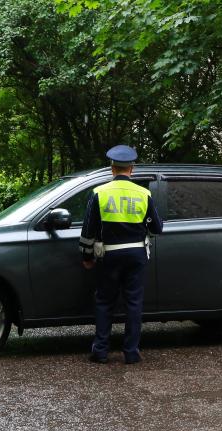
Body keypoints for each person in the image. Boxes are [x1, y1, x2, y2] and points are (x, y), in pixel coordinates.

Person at [79, 145, 163, 364]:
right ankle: (131, 352)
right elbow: (157, 228)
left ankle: (100, 351)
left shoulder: (99, 193)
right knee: (133, 303)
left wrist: (87, 256)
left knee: (105, 301)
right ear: (132, 169)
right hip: (136, 255)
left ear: (112, 168)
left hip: (109, 255)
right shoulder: (144, 194)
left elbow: (88, 230)